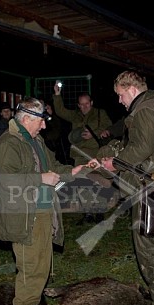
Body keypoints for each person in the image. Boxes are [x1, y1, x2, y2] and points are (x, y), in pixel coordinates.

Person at [89, 70, 154, 305]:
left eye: (119, 94)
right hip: (150, 186)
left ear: (130, 89)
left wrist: (114, 164)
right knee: (150, 249)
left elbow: (141, 149)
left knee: (152, 252)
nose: (119, 101)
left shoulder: (147, 110)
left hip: (150, 189)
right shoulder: (151, 107)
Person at [0, 97, 85, 305]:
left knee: (42, 262)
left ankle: (34, 302)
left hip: (42, 209)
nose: (44, 126)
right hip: (24, 213)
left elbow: (52, 167)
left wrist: (72, 172)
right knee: (30, 265)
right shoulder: (8, 144)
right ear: (26, 119)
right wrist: (40, 179)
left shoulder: (35, 141)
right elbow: (6, 181)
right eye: (40, 121)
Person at [53, 88, 113, 223]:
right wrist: (57, 95)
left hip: (97, 154)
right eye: (82, 104)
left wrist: (94, 133)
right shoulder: (76, 115)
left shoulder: (99, 113)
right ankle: (88, 212)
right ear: (78, 105)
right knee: (82, 183)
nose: (85, 106)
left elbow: (108, 127)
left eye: (87, 103)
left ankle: (99, 211)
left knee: (98, 182)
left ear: (91, 102)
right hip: (80, 155)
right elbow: (60, 111)